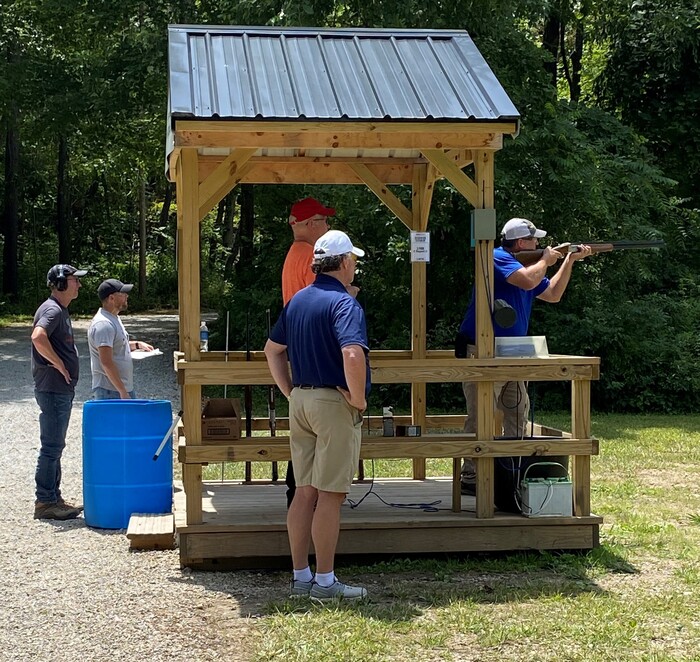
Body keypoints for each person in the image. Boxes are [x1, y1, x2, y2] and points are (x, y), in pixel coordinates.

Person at [265, 229, 369, 601]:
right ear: (343, 263)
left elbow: (272, 350)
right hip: (332, 404)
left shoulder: (297, 301)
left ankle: (300, 576)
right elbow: (353, 353)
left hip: (302, 402)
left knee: (304, 492)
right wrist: (357, 398)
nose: (355, 265)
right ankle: (325, 582)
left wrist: (289, 391)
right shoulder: (344, 304)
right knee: (330, 495)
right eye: (353, 259)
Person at [457, 218, 592, 495]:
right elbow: (529, 280)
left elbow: (553, 294)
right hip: (483, 351)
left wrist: (569, 261)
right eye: (534, 241)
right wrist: (545, 260)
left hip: (514, 351)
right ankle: (471, 475)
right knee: (479, 414)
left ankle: (512, 469)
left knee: (517, 411)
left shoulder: (526, 265)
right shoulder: (496, 257)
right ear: (520, 243)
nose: (539, 245)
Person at [282, 197, 360, 507]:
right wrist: (350, 295)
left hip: (300, 362)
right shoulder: (304, 255)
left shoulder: (293, 254)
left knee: (304, 470)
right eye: (323, 220)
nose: (326, 225)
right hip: (325, 364)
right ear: (309, 224)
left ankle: (302, 546)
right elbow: (323, 296)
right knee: (326, 483)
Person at [31, 264, 88, 520]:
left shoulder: (59, 310)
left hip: (58, 389)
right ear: (62, 283)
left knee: (56, 445)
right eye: (75, 280)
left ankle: (53, 498)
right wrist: (58, 363)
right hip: (53, 389)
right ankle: (45, 502)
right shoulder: (53, 309)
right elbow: (37, 337)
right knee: (51, 446)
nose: (79, 284)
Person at [87, 278, 154, 399]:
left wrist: (137, 345)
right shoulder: (103, 324)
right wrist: (122, 391)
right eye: (123, 294)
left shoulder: (113, 318)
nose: (127, 296)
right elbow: (106, 362)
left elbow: (116, 345)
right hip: (110, 391)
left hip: (119, 389)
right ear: (112, 298)